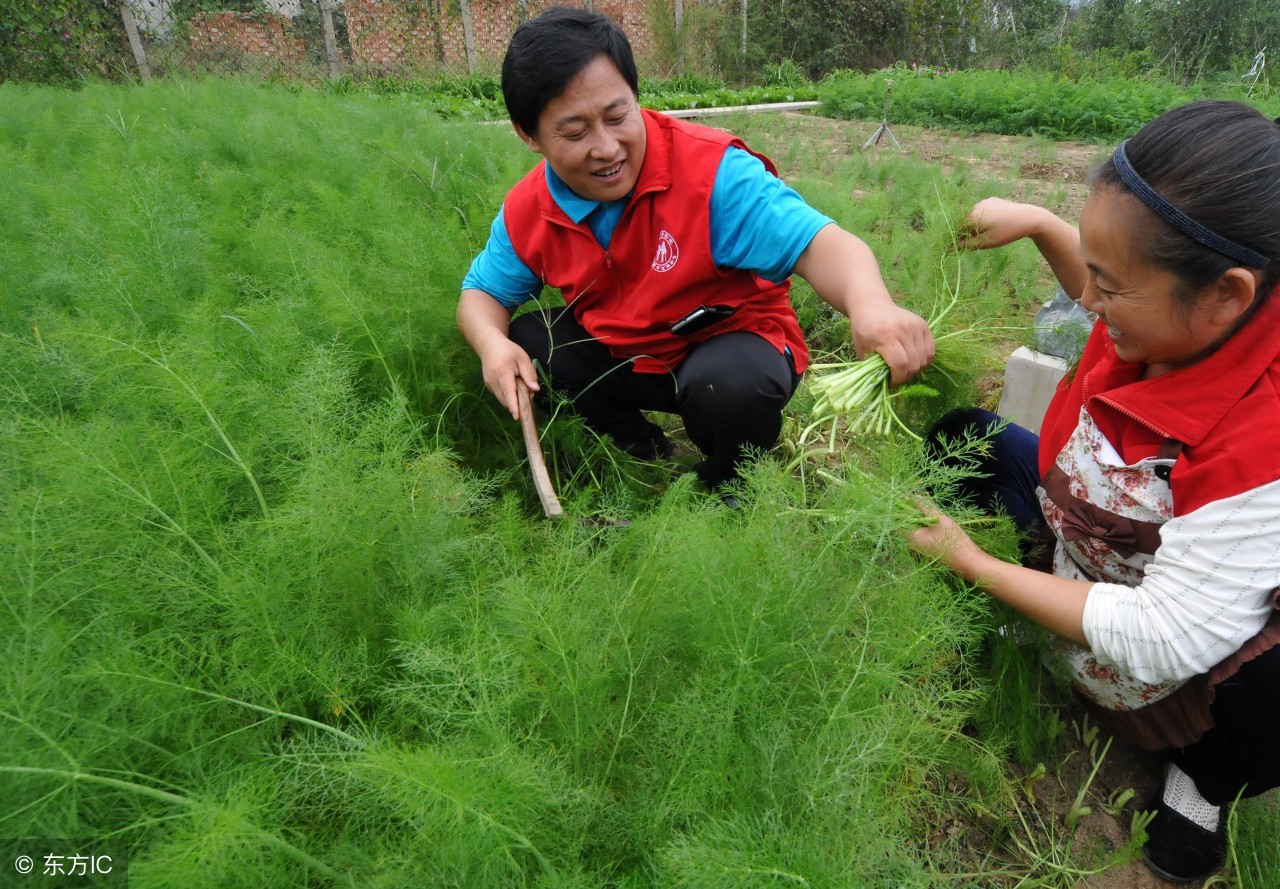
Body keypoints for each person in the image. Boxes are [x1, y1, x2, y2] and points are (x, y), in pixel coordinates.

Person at [907, 99, 1280, 883]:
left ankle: (1202, 780)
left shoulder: (1264, 438)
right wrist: (1041, 225)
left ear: (1227, 294)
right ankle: (1039, 616)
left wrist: (972, 562)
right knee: (964, 437)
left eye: (1108, 284)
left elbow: (1164, 632)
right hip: (1085, 535)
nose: (1088, 302)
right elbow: (1117, 287)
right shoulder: (1182, 316)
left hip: (1185, 643)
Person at [457, 6, 933, 491]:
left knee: (729, 385)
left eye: (618, 116)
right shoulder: (530, 209)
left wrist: (871, 305)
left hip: (727, 348)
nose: (607, 148)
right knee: (529, 341)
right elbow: (481, 294)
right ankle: (644, 450)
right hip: (629, 354)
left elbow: (818, 243)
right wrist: (492, 345)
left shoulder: (710, 172)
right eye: (575, 132)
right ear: (528, 134)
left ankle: (730, 479)